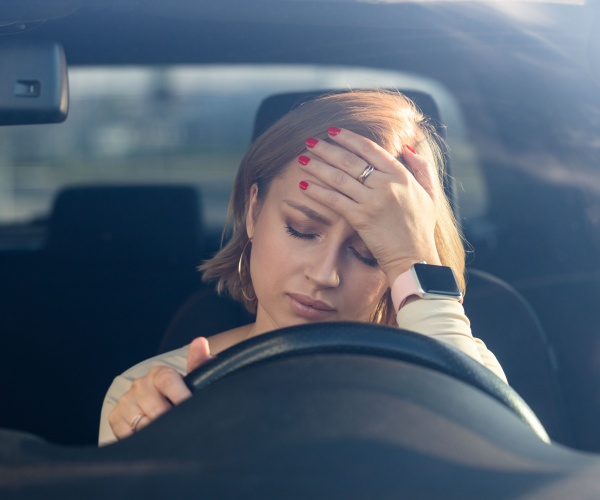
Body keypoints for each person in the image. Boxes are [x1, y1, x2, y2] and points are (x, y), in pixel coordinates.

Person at [99, 90, 506, 446]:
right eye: (302, 230)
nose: (325, 274)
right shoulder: (150, 393)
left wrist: (415, 260)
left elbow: (499, 469)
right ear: (254, 211)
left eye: (369, 253)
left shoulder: (467, 366)